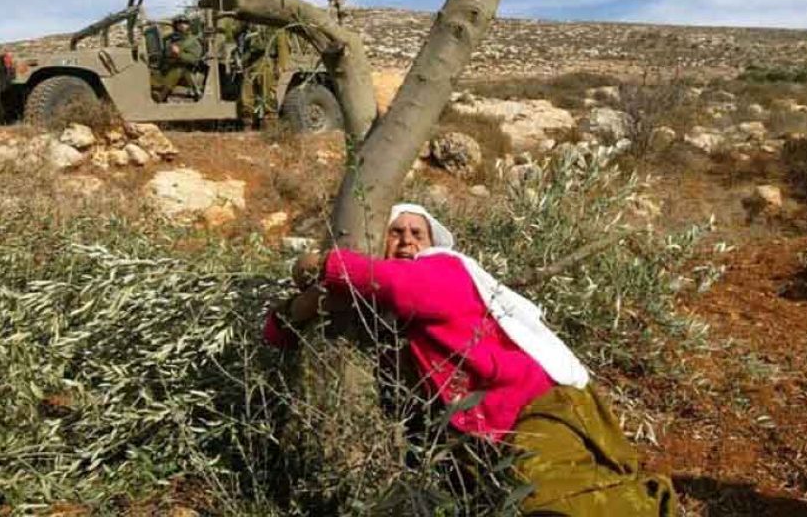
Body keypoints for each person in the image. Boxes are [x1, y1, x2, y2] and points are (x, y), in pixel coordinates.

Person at [264, 204, 677, 516]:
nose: (407, 240)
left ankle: (656, 504)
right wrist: (294, 311)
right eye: (395, 232)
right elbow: (278, 335)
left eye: (417, 232)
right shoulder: (379, 312)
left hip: (535, 406)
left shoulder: (444, 268)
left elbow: (405, 289)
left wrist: (322, 264)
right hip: (490, 429)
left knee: (546, 498)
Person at [155, 15, 205, 101]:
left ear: (189, 25)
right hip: (168, 70)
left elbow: (193, 59)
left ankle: (163, 95)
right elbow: (164, 55)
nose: (182, 25)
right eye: (179, 24)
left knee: (181, 69)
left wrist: (179, 54)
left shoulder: (193, 41)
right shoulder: (170, 40)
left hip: (189, 72)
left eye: (185, 23)